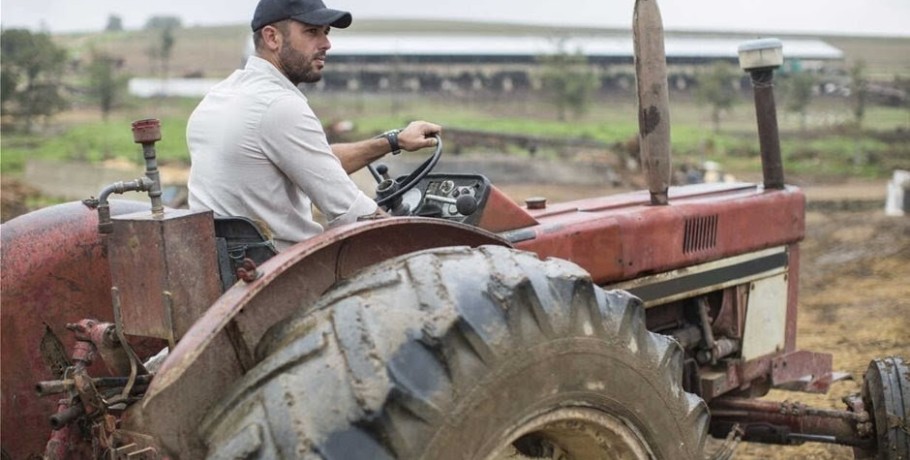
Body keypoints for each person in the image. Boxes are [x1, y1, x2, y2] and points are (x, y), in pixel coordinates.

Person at [186, 0, 441, 251]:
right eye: (311, 32)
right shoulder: (280, 106)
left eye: (326, 33)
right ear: (272, 37)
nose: (326, 44)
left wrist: (394, 141)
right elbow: (352, 212)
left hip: (225, 265)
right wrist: (421, 249)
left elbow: (315, 163)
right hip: (281, 274)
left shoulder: (219, 97)